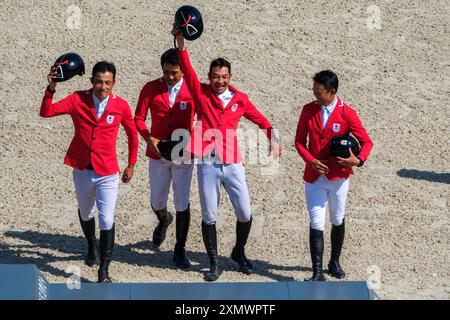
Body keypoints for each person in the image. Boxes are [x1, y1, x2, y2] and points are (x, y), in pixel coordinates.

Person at [172, 26, 282, 281]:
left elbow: (263, 121)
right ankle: (213, 262)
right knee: (210, 214)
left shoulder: (240, 99)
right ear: (209, 77)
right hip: (208, 164)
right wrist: (179, 40)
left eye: (223, 76)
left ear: (230, 77)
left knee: (244, 212)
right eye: (215, 76)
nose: (219, 81)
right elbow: (186, 67)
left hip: (233, 163)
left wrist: (274, 139)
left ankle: (238, 251)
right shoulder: (200, 93)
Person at [40, 61, 139, 283]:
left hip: (107, 172)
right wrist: (51, 87)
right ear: (91, 81)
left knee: (107, 219)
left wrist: (131, 164)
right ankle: (91, 244)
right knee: (86, 213)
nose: (102, 87)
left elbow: (132, 135)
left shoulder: (121, 105)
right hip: (82, 168)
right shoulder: (77, 99)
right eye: (98, 82)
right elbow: (46, 112)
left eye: (107, 83)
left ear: (113, 83)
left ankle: (103, 271)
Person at [295, 70, 373, 281]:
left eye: (319, 92)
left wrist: (357, 161)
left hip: (339, 177)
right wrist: (310, 160)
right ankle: (317, 271)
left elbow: (367, 142)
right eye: (314, 91)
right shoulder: (308, 110)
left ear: (332, 91)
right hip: (314, 176)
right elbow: (300, 142)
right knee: (316, 221)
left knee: (337, 218)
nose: (315, 96)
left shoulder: (347, 113)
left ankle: (334, 262)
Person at [134, 48, 196, 269]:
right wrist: (149, 138)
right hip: (158, 153)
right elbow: (138, 118)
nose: (170, 77)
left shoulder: (192, 89)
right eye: (167, 72)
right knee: (157, 201)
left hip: (183, 155)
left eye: (175, 73)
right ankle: (163, 219)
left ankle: (180, 250)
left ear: (182, 71)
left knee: (182, 202)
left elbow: (207, 115)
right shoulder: (151, 88)